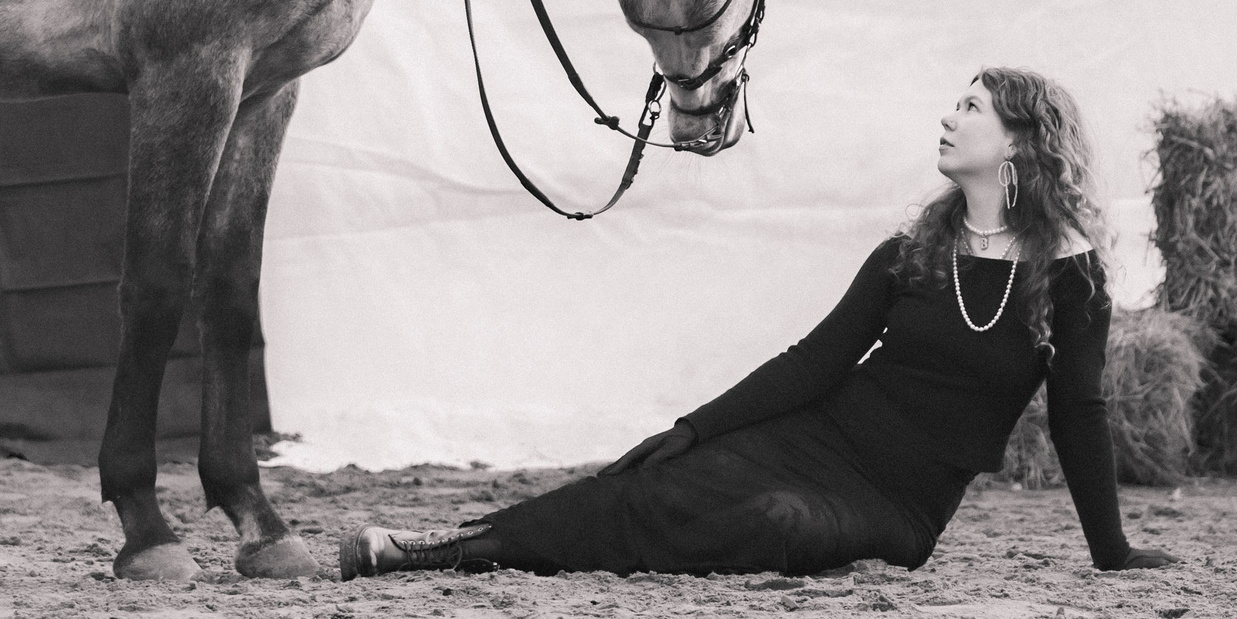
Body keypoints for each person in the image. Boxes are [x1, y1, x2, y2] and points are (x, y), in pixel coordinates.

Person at [340, 68, 1180, 579]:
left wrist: (1112, 552)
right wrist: (691, 427)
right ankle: (445, 548)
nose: (948, 117)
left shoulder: (1070, 277)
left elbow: (1080, 413)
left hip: (895, 509)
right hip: (813, 438)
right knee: (658, 481)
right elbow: (813, 363)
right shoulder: (910, 254)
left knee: (771, 524)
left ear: (1019, 145)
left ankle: (470, 547)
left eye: (971, 107)